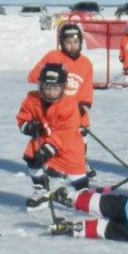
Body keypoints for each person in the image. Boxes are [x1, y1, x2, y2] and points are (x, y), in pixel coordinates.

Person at [15, 63, 89, 211]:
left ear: (63, 87)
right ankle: (42, 190)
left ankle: (87, 199)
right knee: (32, 155)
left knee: (78, 179)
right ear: (40, 85)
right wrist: (28, 126)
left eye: (55, 88)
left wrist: (49, 149)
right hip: (44, 139)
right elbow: (23, 116)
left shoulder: (68, 105)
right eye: (46, 87)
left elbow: (65, 133)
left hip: (69, 146)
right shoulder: (32, 99)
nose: (50, 92)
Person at [28, 23, 96, 178]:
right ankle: (55, 164)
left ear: (80, 42)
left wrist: (83, 105)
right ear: (61, 43)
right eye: (68, 42)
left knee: (80, 138)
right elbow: (34, 76)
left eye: (75, 42)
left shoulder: (86, 63)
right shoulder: (54, 56)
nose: (72, 46)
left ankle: (80, 163)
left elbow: (86, 87)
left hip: (77, 111)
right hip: (56, 111)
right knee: (57, 138)